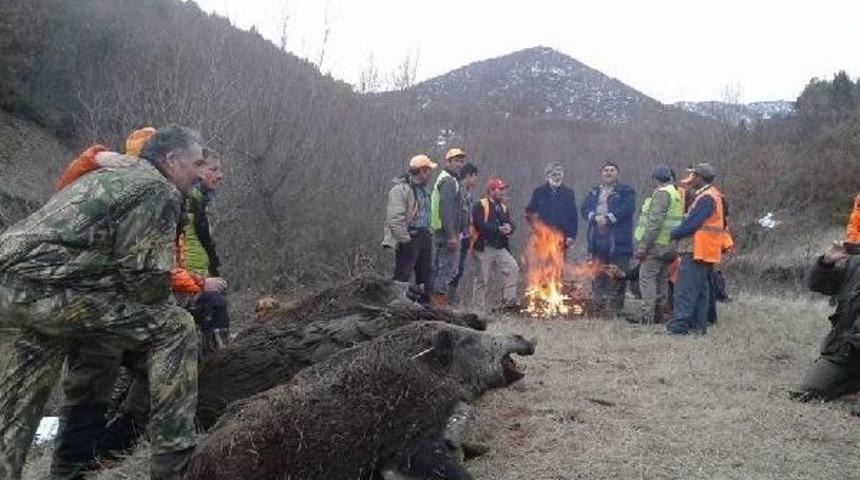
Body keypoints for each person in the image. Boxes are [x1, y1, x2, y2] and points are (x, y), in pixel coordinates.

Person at [0, 125, 204, 480]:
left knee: (12, 421)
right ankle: (174, 466)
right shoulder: (158, 190)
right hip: (52, 295)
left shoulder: (108, 176)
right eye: (196, 163)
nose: (199, 174)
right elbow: (144, 279)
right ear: (171, 160)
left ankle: (61, 469)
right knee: (176, 327)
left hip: (11, 290)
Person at [792, 240, 860, 402]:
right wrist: (826, 263)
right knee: (810, 391)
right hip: (846, 350)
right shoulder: (855, 264)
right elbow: (818, 285)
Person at [665, 163, 725, 335]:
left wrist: (674, 232)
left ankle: (678, 327)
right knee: (701, 290)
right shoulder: (711, 194)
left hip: (697, 249)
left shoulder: (706, 197)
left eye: (693, 176)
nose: (690, 179)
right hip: (705, 250)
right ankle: (699, 327)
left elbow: (693, 223)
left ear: (699, 177)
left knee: (685, 289)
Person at [628, 165, 683, 324]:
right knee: (661, 281)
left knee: (647, 280)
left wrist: (644, 246)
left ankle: (646, 317)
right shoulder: (675, 194)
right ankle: (659, 315)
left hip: (656, 246)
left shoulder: (661, 194)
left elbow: (654, 223)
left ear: (655, 179)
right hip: (670, 246)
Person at [580, 162, 636, 314]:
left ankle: (615, 308)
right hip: (596, 238)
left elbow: (628, 209)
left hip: (618, 239)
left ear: (617, 174)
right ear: (601, 173)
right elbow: (584, 209)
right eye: (605, 170)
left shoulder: (626, 191)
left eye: (612, 170)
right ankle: (599, 305)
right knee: (598, 270)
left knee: (618, 271)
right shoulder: (594, 191)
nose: (608, 173)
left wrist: (609, 218)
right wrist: (594, 217)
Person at [382, 154, 437, 303]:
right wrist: (405, 239)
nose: (430, 174)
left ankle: (424, 308)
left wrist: (429, 230)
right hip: (410, 236)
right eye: (428, 170)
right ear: (422, 171)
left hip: (424, 235)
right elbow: (395, 218)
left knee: (425, 276)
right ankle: (395, 306)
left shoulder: (424, 189)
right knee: (402, 276)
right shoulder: (400, 189)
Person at [471, 177, 519, 311]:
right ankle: (478, 310)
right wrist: (497, 229)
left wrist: (510, 228)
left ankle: (509, 304)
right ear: (491, 191)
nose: (503, 192)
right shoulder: (480, 205)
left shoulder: (503, 207)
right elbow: (479, 224)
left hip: (500, 248)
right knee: (482, 279)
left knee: (513, 268)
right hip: (484, 248)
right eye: (500, 189)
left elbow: (511, 223)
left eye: (503, 189)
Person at [430, 148, 468, 307]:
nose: (459, 164)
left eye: (461, 161)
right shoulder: (448, 181)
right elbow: (446, 209)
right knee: (447, 270)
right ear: (448, 162)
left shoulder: (447, 179)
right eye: (456, 161)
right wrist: (452, 235)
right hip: (446, 233)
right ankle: (438, 307)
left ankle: (430, 303)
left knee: (439, 268)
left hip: (441, 231)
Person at [525, 162, 578, 253]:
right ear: (547, 176)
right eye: (554, 174)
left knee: (558, 264)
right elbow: (530, 212)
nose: (557, 177)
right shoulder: (539, 192)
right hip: (542, 236)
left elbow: (573, 216)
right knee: (542, 265)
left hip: (561, 236)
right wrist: (535, 230)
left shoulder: (568, 193)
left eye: (559, 174)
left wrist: (571, 236)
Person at [449, 162, 479, 304]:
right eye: (475, 176)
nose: (476, 180)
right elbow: (453, 213)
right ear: (468, 175)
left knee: (459, 269)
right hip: (456, 236)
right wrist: (454, 234)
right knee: (452, 269)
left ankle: (452, 298)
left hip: (466, 237)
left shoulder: (468, 193)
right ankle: (445, 299)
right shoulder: (457, 190)